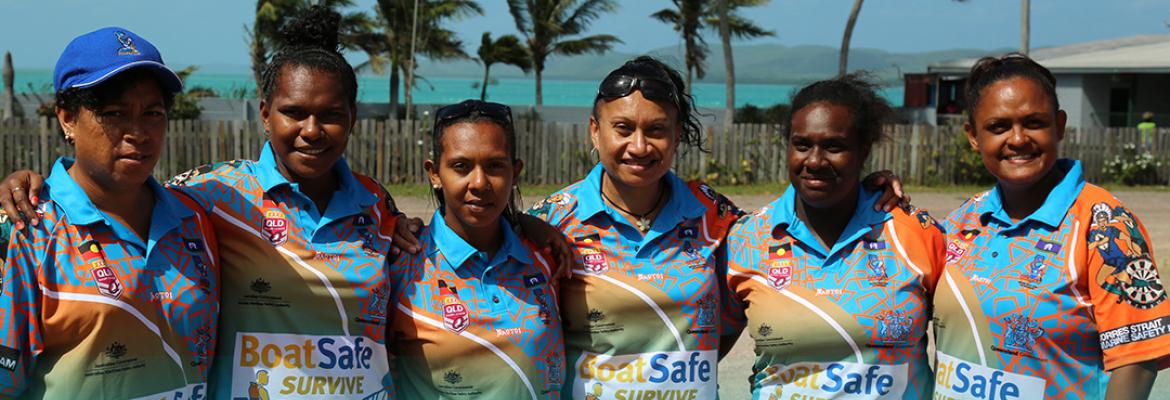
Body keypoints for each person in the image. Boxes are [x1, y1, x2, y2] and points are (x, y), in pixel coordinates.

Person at [526, 57, 907, 398]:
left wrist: (861, 185)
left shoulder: (716, 216)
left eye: (657, 130)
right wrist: (519, 219)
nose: (639, 146)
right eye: (622, 128)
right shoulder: (552, 222)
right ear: (595, 131)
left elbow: (737, 309)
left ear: (677, 135)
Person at [932, 53, 1170, 399]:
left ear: (1059, 125)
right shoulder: (961, 222)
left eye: (1034, 123)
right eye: (998, 127)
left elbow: (1136, 359)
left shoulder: (1103, 224)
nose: (1017, 139)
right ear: (973, 135)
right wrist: (873, 193)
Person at [0, 27, 219, 398]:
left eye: (153, 113)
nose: (138, 132)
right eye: (115, 113)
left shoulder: (195, 220)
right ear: (68, 118)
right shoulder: (28, 230)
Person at [722, 75, 945, 399]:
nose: (814, 161)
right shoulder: (744, 240)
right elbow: (698, 349)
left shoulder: (916, 234)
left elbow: (962, 345)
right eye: (802, 144)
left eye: (834, 146)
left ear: (863, 150)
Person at [388, 99, 565, 398]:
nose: (480, 182)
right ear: (434, 174)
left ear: (516, 171)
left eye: (495, 166)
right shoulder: (399, 267)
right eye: (461, 166)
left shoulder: (548, 258)